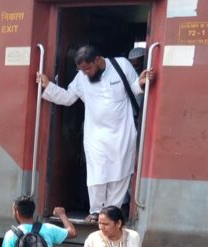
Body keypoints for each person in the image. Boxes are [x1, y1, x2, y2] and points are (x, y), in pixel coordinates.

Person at [36, 45, 153, 220]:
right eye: (82, 70)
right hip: (95, 135)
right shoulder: (82, 77)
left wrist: (141, 82)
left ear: (98, 60)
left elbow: (134, 89)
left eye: (88, 69)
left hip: (122, 131)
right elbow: (68, 98)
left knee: (120, 173)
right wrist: (48, 86)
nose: (86, 73)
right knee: (97, 173)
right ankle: (96, 211)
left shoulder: (121, 65)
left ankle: (112, 211)